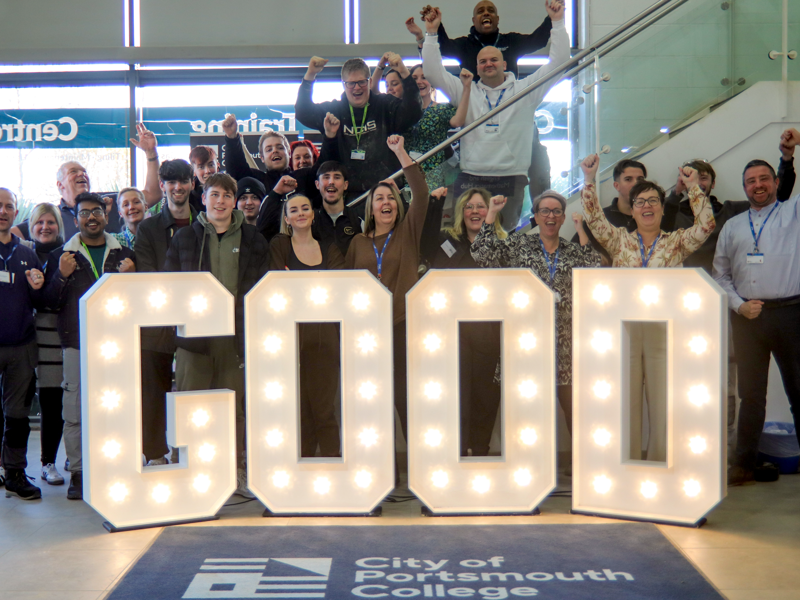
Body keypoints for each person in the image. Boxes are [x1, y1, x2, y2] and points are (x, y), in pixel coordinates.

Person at [581, 154, 714, 463]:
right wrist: (589, 180)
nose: (647, 207)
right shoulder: (618, 242)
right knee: (623, 406)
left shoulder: (676, 242)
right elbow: (593, 219)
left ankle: (660, 470)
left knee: (664, 406)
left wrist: (694, 186)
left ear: (661, 206)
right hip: (625, 333)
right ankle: (623, 471)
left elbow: (706, 225)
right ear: (632, 207)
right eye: (640, 202)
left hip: (663, 333)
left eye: (653, 200)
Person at [164, 173, 269, 498]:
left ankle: (233, 472)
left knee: (232, 410)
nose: (220, 201)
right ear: (204, 198)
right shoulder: (185, 238)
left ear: (235, 200)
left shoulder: (253, 239)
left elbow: (262, 290)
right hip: (193, 341)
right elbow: (169, 285)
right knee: (190, 406)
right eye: (214, 195)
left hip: (234, 341)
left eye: (227, 195)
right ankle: (188, 472)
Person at [421, 0, 569, 230]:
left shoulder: (525, 91)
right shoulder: (465, 92)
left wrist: (557, 22)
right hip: (471, 176)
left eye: (493, 60)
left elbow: (558, 62)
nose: (488, 64)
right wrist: (431, 33)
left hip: (510, 178)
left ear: (505, 64)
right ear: (477, 67)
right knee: (465, 241)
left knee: (503, 241)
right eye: (482, 62)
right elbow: (432, 72)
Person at [473, 190, 600, 446]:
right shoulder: (520, 245)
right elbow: (482, 254)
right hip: (526, 346)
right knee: (527, 415)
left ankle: (583, 465)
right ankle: (529, 470)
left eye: (556, 212)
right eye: (545, 211)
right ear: (536, 216)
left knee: (576, 411)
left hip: (565, 347)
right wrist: (492, 214)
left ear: (563, 218)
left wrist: (581, 229)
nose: (550, 216)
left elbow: (595, 267)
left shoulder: (573, 251)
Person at [42, 192, 136, 500]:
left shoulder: (124, 253)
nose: (91, 218)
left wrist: (131, 280)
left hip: (117, 344)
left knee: (118, 409)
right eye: (85, 213)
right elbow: (50, 304)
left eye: (97, 212)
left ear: (106, 216)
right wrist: (60, 276)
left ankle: (116, 467)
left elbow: (138, 303)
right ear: (76, 218)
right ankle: (79, 474)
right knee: (75, 413)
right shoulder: (60, 255)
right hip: (77, 345)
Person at [713, 160, 800, 486]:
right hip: (748, 317)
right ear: (745, 187)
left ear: (776, 182)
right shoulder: (733, 226)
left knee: (798, 390)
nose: (758, 185)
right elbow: (719, 275)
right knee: (750, 395)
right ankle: (744, 464)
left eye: (764, 178)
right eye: (751, 181)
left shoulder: (793, 213)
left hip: (791, 313)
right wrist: (738, 305)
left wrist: (795, 148)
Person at [345, 135, 429, 446]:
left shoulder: (408, 233)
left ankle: (418, 465)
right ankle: (382, 471)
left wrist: (399, 151)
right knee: (373, 402)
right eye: (380, 198)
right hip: (368, 332)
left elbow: (421, 193)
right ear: (371, 206)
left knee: (405, 398)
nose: (386, 203)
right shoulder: (358, 243)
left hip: (401, 325)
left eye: (391, 198)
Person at [427, 187, 504, 456]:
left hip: (488, 329)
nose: (474, 211)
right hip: (452, 329)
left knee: (486, 394)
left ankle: (480, 447)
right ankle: (457, 449)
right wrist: (434, 204)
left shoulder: (503, 243)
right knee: (456, 392)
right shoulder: (445, 241)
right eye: (469, 207)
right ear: (461, 212)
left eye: (480, 206)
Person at [134, 158, 200, 468]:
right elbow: (149, 276)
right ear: (162, 187)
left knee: (193, 393)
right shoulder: (148, 228)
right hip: (156, 324)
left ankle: (191, 453)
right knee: (153, 395)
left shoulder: (205, 223)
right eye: (170, 182)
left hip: (198, 322)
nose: (177, 187)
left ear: (192, 184)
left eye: (182, 181)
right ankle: (156, 455)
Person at [269, 195, 345, 457]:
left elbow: (337, 290)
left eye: (305, 208)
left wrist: (296, 285)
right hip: (289, 342)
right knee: (298, 411)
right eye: (293, 210)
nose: (300, 213)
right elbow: (277, 288)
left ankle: (334, 470)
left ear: (313, 215)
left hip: (325, 342)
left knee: (324, 410)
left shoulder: (330, 248)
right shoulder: (279, 246)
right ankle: (303, 475)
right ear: (287, 219)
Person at [295, 54, 423, 197]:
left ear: (369, 82)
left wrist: (404, 72)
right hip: (348, 197)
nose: (357, 87)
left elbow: (414, 111)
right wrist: (310, 75)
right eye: (351, 83)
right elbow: (303, 113)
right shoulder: (334, 111)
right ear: (344, 84)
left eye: (361, 82)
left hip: (385, 194)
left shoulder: (385, 105)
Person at [223, 112, 340, 240]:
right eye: (269, 149)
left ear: (289, 153)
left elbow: (325, 167)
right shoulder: (257, 181)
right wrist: (232, 138)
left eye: (280, 147)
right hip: (267, 246)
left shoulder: (304, 176)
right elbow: (236, 171)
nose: (275, 151)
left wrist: (330, 136)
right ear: (262, 158)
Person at [0, 188, 46, 500]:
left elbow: (39, 301)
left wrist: (40, 287)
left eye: (8, 207)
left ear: (17, 214)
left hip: (21, 347)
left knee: (17, 415)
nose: (3, 211)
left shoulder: (27, 253)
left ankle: (15, 472)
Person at [372, 59, 473, 190]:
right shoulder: (399, 111)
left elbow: (458, 121)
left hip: (433, 174)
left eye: (424, 77)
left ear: (432, 83)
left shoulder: (441, 109)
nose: (419, 82)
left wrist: (466, 88)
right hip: (405, 173)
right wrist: (380, 65)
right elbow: (374, 91)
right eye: (414, 78)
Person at [406, 1, 553, 80]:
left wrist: (552, 18)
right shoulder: (465, 45)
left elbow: (537, 41)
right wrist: (436, 25)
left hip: (508, 105)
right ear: (474, 20)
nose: (486, 13)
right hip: (475, 108)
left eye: (491, 11)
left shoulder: (511, 41)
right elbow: (443, 48)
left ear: (497, 19)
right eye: (481, 12)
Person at [27, 204, 67, 486]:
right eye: (39, 222)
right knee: (19, 403)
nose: (45, 227)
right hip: (26, 338)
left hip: (57, 337)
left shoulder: (67, 253)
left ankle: (49, 462)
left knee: (55, 403)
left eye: (50, 222)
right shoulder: (23, 254)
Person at [573, 159, 647, 265]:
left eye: (640, 179)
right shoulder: (603, 219)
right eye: (628, 179)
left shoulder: (653, 218)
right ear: (617, 185)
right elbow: (576, 251)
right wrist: (589, 178)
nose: (636, 184)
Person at [312, 161, 363, 256]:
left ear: (345, 185)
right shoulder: (310, 220)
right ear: (317, 184)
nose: (331, 182)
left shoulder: (359, 220)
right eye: (326, 177)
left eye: (337, 177)